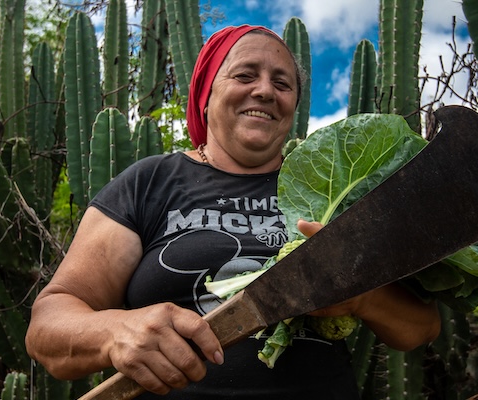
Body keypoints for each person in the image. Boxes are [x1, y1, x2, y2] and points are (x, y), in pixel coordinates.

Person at [25, 25, 440, 399]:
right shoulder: (151, 182)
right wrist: (114, 332)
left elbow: (421, 327)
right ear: (206, 93)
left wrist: (363, 296)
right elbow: (48, 326)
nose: (264, 90)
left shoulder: (334, 191)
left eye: (283, 83)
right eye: (245, 75)